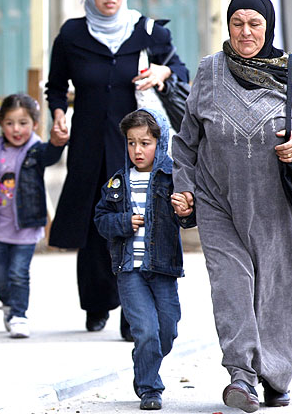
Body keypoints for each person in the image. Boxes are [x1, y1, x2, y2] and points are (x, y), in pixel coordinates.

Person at [171, 0, 292, 412]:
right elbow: (186, 140)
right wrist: (185, 185)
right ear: (227, 26)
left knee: (279, 293)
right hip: (218, 202)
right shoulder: (210, 71)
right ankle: (242, 375)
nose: (246, 32)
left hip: (278, 207)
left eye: (255, 24)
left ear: (269, 26)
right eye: (237, 23)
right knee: (232, 286)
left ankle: (275, 374)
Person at [45, 0, 189, 337]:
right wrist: (59, 114)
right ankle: (96, 305)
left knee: (143, 221)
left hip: (138, 148)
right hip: (89, 146)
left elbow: (180, 70)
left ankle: (133, 313)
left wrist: (162, 72)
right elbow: (56, 86)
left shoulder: (149, 31)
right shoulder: (72, 34)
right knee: (97, 223)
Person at [94, 108, 195, 410]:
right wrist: (124, 221)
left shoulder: (172, 177)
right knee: (146, 331)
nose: (137, 150)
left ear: (160, 142)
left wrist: (186, 210)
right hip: (130, 271)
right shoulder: (117, 182)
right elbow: (101, 220)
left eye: (145, 143)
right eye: (131, 143)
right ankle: (150, 388)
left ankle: (145, 357)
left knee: (167, 330)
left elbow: (190, 220)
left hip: (163, 268)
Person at [0, 93, 68, 338]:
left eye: (23, 123)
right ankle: (9, 305)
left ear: (34, 125)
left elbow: (51, 156)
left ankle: (19, 315)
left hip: (26, 225)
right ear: (1, 124)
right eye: (10, 123)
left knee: (18, 273)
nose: (16, 129)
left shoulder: (36, 151)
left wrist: (57, 142)